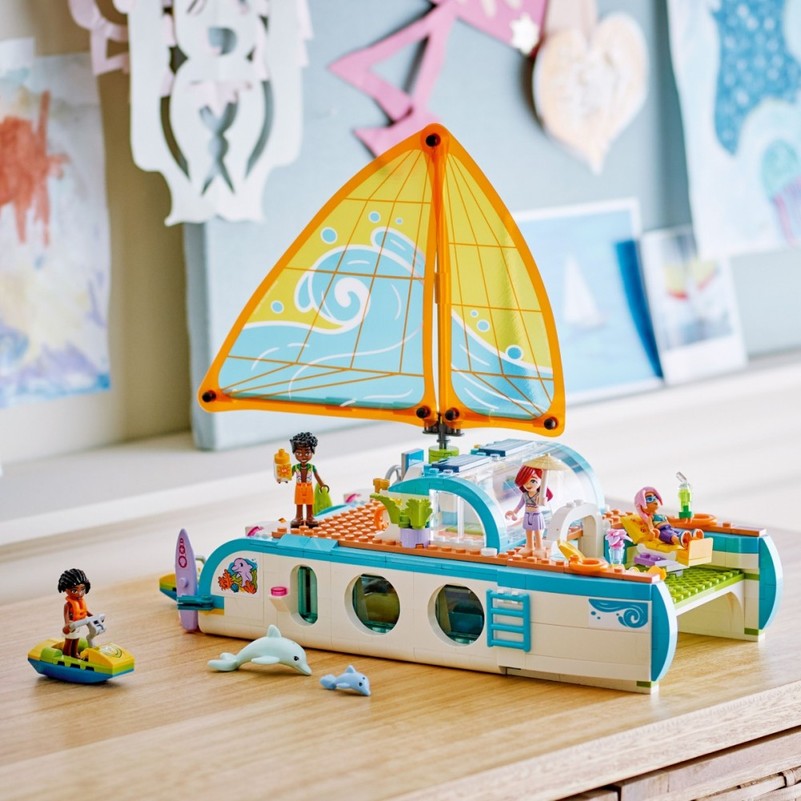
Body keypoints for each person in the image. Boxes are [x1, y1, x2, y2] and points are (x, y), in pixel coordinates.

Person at [506, 465, 553, 557]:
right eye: (525, 481)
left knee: (537, 532)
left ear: (541, 481)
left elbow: (543, 504)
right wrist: (514, 512)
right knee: (528, 532)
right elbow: (519, 505)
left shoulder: (539, 495)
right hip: (527, 515)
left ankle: (539, 547)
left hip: (536, 516)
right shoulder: (525, 495)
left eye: (533, 481)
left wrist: (543, 499)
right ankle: (529, 546)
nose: (528, 485)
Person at [634, 486, 701, 547]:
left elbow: (674, 521)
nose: (655, 501)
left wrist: (683, 518)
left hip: (670, 529)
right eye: (649, 499)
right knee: (672, 536)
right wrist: (652, 531)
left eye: (655, 498)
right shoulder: (651, 518)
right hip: (662, 532)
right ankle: (681, 542)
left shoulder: (662, 515)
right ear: (641, 506)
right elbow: (651, 527)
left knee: (680, 532)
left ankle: (692, 537)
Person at [287, 432, 328, 528]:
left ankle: (310, 517)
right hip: (299, 487)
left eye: (307, 453)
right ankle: (299, 517)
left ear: (312, 452)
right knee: (299, 503)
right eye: (299, 453)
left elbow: (317, 476)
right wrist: (282, 478)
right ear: (294, 453)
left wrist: (322, 484)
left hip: (309, 487)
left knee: (309, 503)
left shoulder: (312, 467)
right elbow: (289, 476)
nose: (303, 456)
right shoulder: (295, 467)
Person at [58, 568, 92, 659]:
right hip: (71, 626)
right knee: (69, 640)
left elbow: (85, 611)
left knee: (76, 639)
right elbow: (66, 615)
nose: (79, 593)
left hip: (78, 624)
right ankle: (67, 654)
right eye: (74, 590)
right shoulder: (68, 605)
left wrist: (92, 616)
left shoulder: (80, 602)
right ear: (66, 589)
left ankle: (74, 653)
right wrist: (67, 624)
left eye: (82, 589)